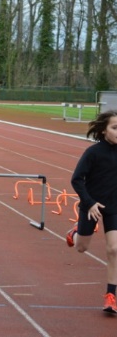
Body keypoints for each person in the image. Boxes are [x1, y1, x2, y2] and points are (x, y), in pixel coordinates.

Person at [66, 110, 117, 314]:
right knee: (81, 248)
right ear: (104, 130)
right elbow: (77, 179)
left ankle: (111, 295)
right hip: (91, 205)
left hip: (114, 207)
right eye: (115, 127)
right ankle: (75, 233)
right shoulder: (93, 153)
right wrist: (90, 202)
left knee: (114, 249)